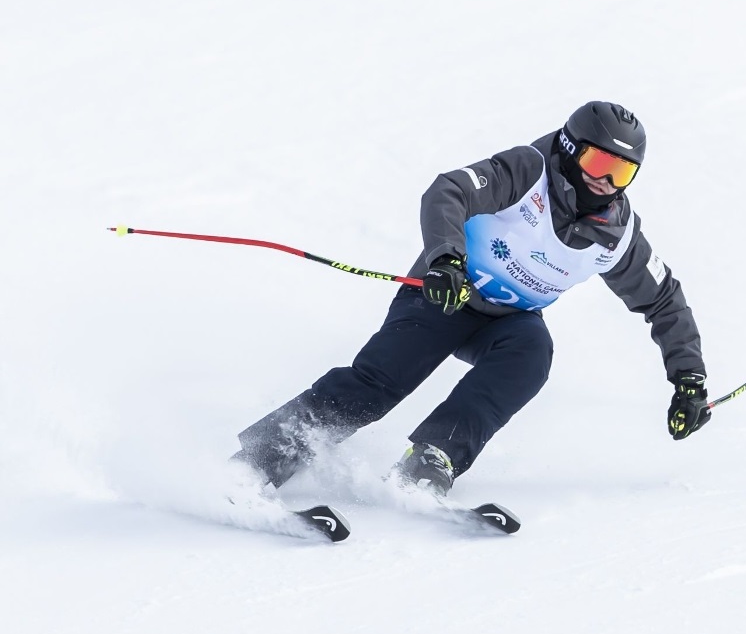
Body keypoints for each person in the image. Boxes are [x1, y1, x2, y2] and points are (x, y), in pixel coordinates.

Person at [232, 101, 710, 496]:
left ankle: (431, 458)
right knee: (379, 385)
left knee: (532, 355)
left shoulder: (618, 237)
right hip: (445, 294)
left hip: (507, 321)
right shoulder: (528, 171)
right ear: (569, 150)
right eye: (599, 163)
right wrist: (446, 260)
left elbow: (664, 300)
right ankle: (257, 460)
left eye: (622, 172)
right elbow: (450, 191)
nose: (607, 181)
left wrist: (689, 377)